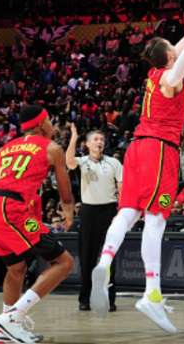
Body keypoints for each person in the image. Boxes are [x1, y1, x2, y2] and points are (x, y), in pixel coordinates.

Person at [91, 0, 184, 333]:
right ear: (170, 54)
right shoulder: (170, 78)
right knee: (155, 220)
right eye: (177, 45)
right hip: (159, 150)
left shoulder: (156, 72)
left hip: (136, 150)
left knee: (127, 213)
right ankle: (150, 292)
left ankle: (106, 263)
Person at [0, 105, 75, 343]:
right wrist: (69, 214)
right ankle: (13, 318)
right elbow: (66, 194)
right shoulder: (51, 147)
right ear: (41, 125)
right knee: (64, 262)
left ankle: (5, 331)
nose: (51, 124)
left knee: (16, 269)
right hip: (11, 209)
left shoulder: (5, 148)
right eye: (49, 120)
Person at [66, 126, 123, 312]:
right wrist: (73, 138)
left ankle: (110, 299)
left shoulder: (114, 163)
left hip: (109, 212)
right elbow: (68, 161)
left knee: (110, 259)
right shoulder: (81, 162)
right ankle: (84, 298)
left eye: (102, 139)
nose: (100, 142)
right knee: (87, 258)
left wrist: (120, 212)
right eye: (96, 139)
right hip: (89, 212)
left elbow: (122, 187)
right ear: (88, 144)